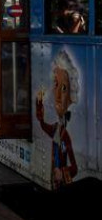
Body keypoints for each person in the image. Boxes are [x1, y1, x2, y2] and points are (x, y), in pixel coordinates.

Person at [36, 49, 79, 189]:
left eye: (64, 88)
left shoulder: (66, 134)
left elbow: (75, 167)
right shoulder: (57, 128)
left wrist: (62, 172)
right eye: (56, 85)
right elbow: (43, 125)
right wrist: (39, 106)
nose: (59, 96)